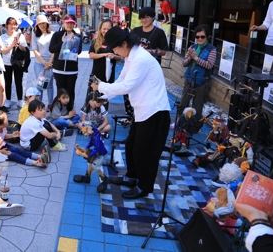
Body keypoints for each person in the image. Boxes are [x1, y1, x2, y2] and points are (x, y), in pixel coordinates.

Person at [91, 27, 171, 199]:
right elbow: (121, 81)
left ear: (124, 44)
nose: (113, 51)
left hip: (155, 112)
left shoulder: (140, 59)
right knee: (131, 145)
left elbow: (127, 86)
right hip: (143, 111)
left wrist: (100, 86)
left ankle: (144, 186)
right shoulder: (131, 57)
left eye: (114, 47)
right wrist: (103, 96)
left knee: (145, 151)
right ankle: (132, 177)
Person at [178, 25, 217, 120]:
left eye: (202, 36)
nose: (199, 39)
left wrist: (196, 58)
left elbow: (209, 65)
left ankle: (193, 127)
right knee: (183, 103)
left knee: (197, 106)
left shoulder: (212, 49)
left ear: (207, 37)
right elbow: (184, 63)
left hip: (202, 82)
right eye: (197, 36)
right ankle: (180, 123)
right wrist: (190, 57)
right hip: (189, 79)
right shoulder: (193, 47)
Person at [49, 14, 82, 110]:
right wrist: (63, 42)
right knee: (61, 92)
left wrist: (71, 43)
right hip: (58, 69)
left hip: (72, 70)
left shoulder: (77, 36)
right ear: (63, 23)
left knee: (71, 91)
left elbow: (79, 51)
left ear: (74, 24)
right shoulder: (57, 35)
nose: (69, 25)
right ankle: (59, 110)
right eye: (67, 23)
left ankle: (70, 110)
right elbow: (51, 49)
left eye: (72, 23)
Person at [1, 17, 28, 109]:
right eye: (11, 24)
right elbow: (3, 52)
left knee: (18, 81)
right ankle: (8, 100)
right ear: (6, 25)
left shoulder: (20, 35)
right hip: (6, 62)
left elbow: (25, 49)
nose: (13, 26)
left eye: (15, 24)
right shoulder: (2, 37)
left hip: (17, 62)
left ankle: (20, 100)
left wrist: (19, 44)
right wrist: (12, 45)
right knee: (7, 82)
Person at [31, 14, 55, 106]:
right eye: (40, 24)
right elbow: (34, 50)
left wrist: (49, 62)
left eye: (44, 23)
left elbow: (54, 50)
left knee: (49, 85)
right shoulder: (35, 35)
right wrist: (44, 62)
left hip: (50, 62)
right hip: (39, 63)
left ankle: (50, 104)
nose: (42, 25)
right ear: (37, 25)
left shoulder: (52, 34)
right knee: (40, 85)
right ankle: (39, 105)